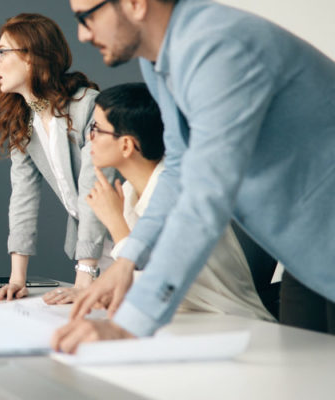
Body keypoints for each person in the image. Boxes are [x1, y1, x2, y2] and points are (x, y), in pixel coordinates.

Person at [53, 0, 335, 353]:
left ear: (135, 4)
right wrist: (127, 261)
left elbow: (206, 195)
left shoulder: (217, 47)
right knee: (302, 375)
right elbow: (179, 166)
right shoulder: (161, 63)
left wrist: (133, 322)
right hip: (306, 249)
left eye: (86, 17)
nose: (82, 33)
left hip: (322, 234)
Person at [84, 82, 274, 321]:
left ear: (126, 145)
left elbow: (152, 286)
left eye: (96, 129)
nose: (89, 137)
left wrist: (116, 224)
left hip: (231, 322)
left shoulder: (176, 196)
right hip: (184, 320)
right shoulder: (132, 191)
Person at [0, 13, 116, 302]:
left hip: (131, 242)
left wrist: (85, 276)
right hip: (95, 252)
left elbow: (93, 190)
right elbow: (23, 198)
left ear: (31, 56)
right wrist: (17, 279)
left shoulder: (87, 106)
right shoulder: (25, 120)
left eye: (1, 53)